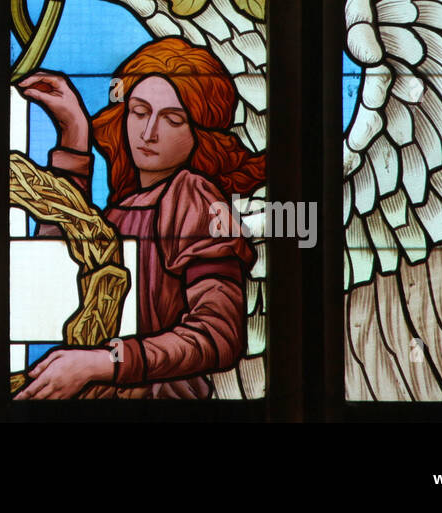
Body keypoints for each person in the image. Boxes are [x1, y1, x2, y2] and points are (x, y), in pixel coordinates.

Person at [14, 36, 262, 399]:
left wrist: (104, 362)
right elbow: (54, 277)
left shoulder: (193, 197)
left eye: (173, 119)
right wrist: (74, 135)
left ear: (200, 133)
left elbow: (217, 335)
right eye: (140, 112)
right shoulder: (123, 207)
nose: (149, 134)